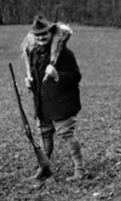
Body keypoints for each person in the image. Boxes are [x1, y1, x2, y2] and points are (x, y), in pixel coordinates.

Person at [23, 15, 84, 181]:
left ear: (51, 33)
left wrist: (58, 75)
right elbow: (36, 77)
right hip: (42, 103)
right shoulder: (34, 52)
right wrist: (30, 82)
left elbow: (76, 76)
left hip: (61, 102)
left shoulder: (64, 53)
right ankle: (45, 168)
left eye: (44, 34)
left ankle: (79, 170)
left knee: (66, 134)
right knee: (44, 134)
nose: (41, 38)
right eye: (38, 35)